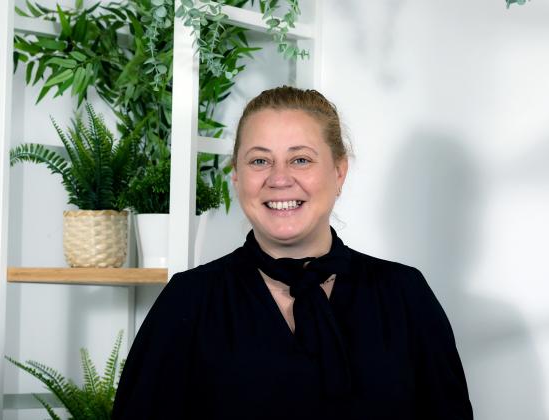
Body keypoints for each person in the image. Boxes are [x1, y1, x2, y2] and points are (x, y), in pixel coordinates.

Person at [112, 86, 473, 419]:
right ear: (236, 177)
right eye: (259, 161)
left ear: (339, 172)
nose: (279, 178)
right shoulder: (188, 301)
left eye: (300, 159)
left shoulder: (405, 295)